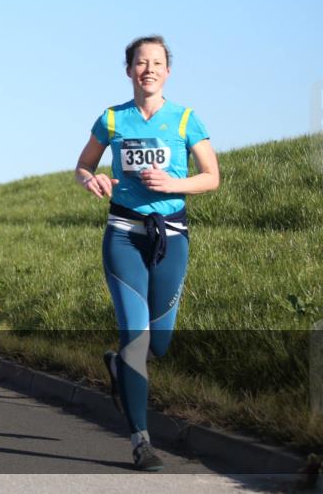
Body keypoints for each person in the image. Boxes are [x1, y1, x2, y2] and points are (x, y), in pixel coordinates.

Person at [74, 35, 220, 471]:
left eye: (157, 63)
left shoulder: (185, 119)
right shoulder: (112, 119)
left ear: (167, 71)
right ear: (129, 70)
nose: (149, 69)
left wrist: (175, 184)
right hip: (123, 234)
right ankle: (141, 440)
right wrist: (90, 179)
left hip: (171, 237)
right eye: (141, 63)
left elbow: (211, 177)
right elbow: (83, 165)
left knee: (161, 343)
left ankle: (119, 368)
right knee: (135, 339)